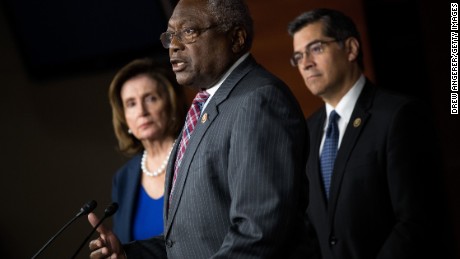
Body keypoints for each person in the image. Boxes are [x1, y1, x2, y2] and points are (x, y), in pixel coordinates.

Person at [87, 0, 319, 258]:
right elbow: (192, 239)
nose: (174, 46)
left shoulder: (259, 100)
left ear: (236, 38)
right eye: (170, 36)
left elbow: (259, 231)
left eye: (188, 32)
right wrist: (130, 253)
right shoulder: (205, 108)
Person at [288, 8, 453, 259]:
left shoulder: (399, 115)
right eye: (298, 56)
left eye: (316, 48)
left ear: (351, 49)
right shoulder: (307, 132)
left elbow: (415, 221)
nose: (306, 64)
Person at [107, 58, 186, 243]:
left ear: (171, 103)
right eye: (131, 103)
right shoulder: (123, 178)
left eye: (151, 98)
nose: (141, 111)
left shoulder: (194, 153)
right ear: (124, 117)